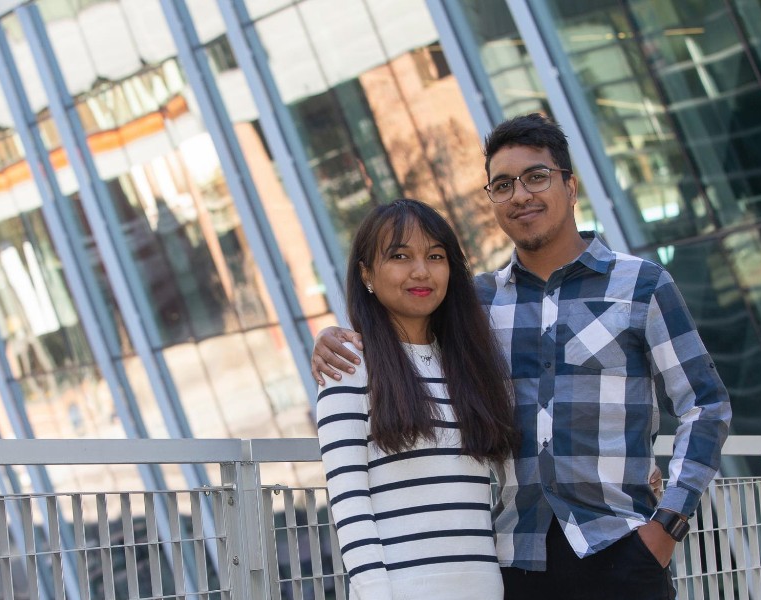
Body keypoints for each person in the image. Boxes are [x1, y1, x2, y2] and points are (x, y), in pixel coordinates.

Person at [314, 114, 732, 599]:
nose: (520, 195)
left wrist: (667, 527)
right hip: (516, 563)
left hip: (623, 552)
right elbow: (406, 335)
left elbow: (705, 404)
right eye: (502, 185)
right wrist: (333, 337)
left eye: (536, 177)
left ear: (570, 187)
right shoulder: (476, 305)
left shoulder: (642, 285)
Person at [315, 198, 518, 599]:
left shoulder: (471, 365)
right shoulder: (350, 365)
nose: (421, 271)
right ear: (367, 273)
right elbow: (349, 502)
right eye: (400, 256)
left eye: (435, 256)